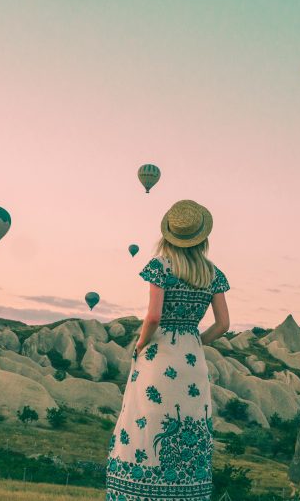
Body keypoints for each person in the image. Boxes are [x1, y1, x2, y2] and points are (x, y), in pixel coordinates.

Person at [105, 199, 231, 500]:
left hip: (158, 356)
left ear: (168, 235)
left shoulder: (160, 266)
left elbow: (153, 317)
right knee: (191, 423)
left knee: (145, 420)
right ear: (202, 237)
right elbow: (223, 324)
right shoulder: (213, 273)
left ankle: (138, 489)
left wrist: (140, 343)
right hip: (192, 361)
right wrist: (196, 340)